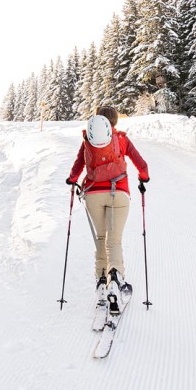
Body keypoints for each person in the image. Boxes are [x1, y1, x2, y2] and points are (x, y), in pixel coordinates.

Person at [66, 105, 149, 313]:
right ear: (115, 122)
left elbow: (78, 166)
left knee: (101, 240)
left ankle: (102, 283)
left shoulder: (88, 141)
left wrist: (72, 180)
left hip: (93, 194)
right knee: (114, 240)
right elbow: (142, 165)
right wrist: (143, 178)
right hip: (119, 194)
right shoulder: (121, 139)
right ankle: (116, 279)